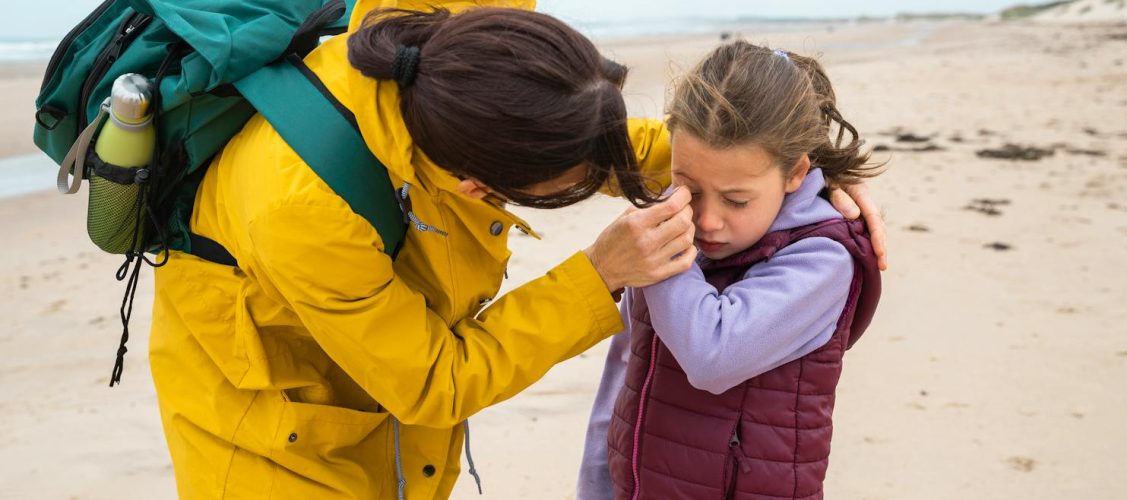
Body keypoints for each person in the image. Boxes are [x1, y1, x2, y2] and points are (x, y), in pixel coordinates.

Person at [147, 1, 885, 498]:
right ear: (477, 189)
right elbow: (433, 380)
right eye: (573, 182)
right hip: (272, 439)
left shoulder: (482, 29)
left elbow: (583, 134)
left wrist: (803, 182)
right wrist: (595, 277)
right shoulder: (296, 208)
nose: (703, 211)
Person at [576, 42, 883, 499]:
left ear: (796, 173)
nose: (708, 220)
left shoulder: (822, 258)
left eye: (736, 200)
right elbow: (620, 380)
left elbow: (712, 355)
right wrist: (596, 488)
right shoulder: (678, 238)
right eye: (687, 187)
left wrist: (661, 237)